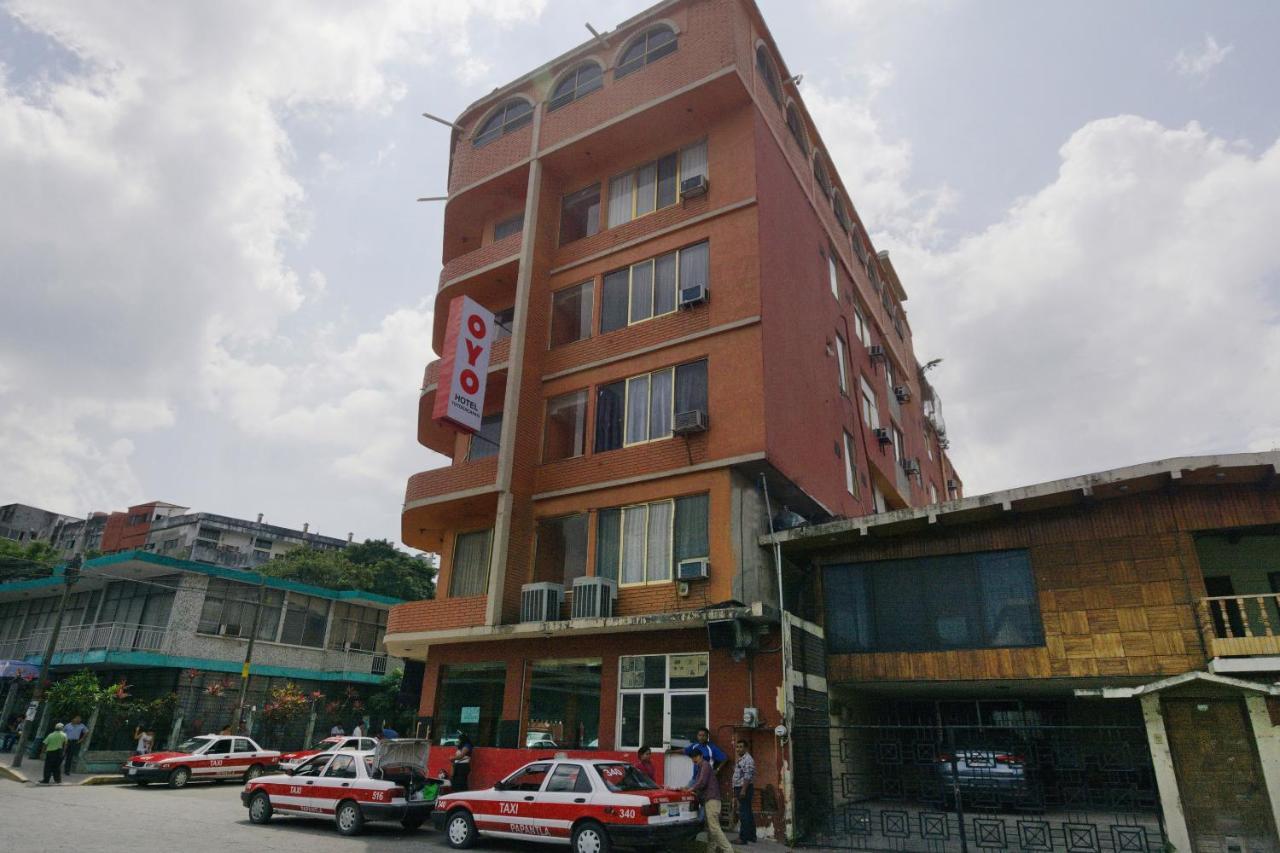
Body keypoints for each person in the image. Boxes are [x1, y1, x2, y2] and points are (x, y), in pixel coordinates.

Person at [684, 749, 734, 853]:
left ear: (701, 756)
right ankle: (711, 850)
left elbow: (702, 783)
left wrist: (690, 789)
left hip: (712, 800)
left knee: (714, 828)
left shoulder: (705, 765)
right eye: (692, 758)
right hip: (709, 800)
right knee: (711, 830)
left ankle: (728, 850)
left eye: (695, 757)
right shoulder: (701, 767)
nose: (694, 760)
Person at [731, 739, 757, 844]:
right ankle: (751, 836)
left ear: (746, 748)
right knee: (748, 813)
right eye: (737, 747)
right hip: (741, 788)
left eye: (741, 747)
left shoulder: (748, 759)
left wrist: (743, 790)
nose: (738, 749)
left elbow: (748, 776)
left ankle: (743, 838)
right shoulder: (741, 759)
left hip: (744, 788)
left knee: (744, 814)